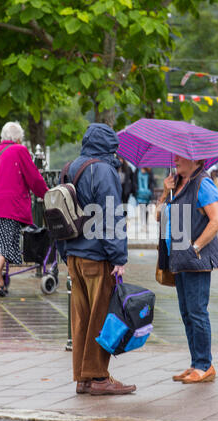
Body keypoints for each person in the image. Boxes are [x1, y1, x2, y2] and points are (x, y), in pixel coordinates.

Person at [58, 123, 136, 396]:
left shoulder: (70, 167)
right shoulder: (104, 170)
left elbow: (58, 211)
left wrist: (64, 252)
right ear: (109, 145)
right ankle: (99, 378)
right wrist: (119, 257)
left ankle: (82, 378)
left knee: (80, 319)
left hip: (74, 256)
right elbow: (111, 215)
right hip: (97, 256)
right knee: (101, 317)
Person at [156, 156, 218, 384]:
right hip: (179, 259)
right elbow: (158, 215)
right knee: (187, 313)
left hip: (195, 260)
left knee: (197, 312)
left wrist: (196, 247)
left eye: (180, 157)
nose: (174, 160)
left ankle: (205, 365)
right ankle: (196, 363)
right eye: (173, 156)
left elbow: (216, 221)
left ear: (195, 160)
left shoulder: (202, 183)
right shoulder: (177, 184)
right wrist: (166, 193)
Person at [0, 121, 48, 296]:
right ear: (18, 138)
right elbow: (34, 178)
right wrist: (46, 194)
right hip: (9, 204)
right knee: (6, 241)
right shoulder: (20, 150)